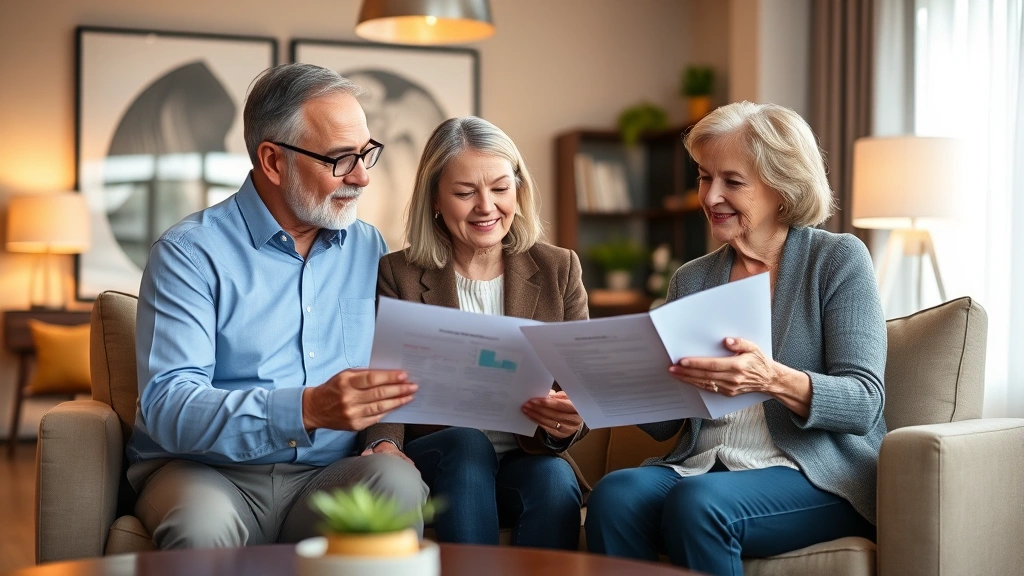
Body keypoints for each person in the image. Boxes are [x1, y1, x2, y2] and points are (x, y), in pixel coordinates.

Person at [125, 63, 428, 549]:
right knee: (201, 528)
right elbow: (168, 406)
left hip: (327, 475)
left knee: (397, 486)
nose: (361, 178)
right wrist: (304, 409)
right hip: (206, 472)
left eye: (366, 153)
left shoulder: (370, 248)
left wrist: (383, 441)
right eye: (339, 159)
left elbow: (389, 370)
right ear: (272, 161)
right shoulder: (189, 254)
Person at [584, 101, 886, 574]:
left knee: (697, 504)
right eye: (705, 177)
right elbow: (667, 426)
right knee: (614, 496)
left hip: (812, 472)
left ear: (781, 189)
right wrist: (607, 383)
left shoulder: (837, 260)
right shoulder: (693, 278)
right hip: (706, 464)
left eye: (732, 181)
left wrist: (771, 378)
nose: (710, 196)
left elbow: (864, 401)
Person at [376, 116, 589, 550]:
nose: (486, 206)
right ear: (435, 199)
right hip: (440, 458)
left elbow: (581, 388)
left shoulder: (559, 268)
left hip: (524, 455)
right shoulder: (397, 272)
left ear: (518, 190)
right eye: (464, 192)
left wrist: (567, 422)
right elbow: (382, 375)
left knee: (554, 479)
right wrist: (383, 443)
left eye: (500, 188)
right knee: (469, 446)